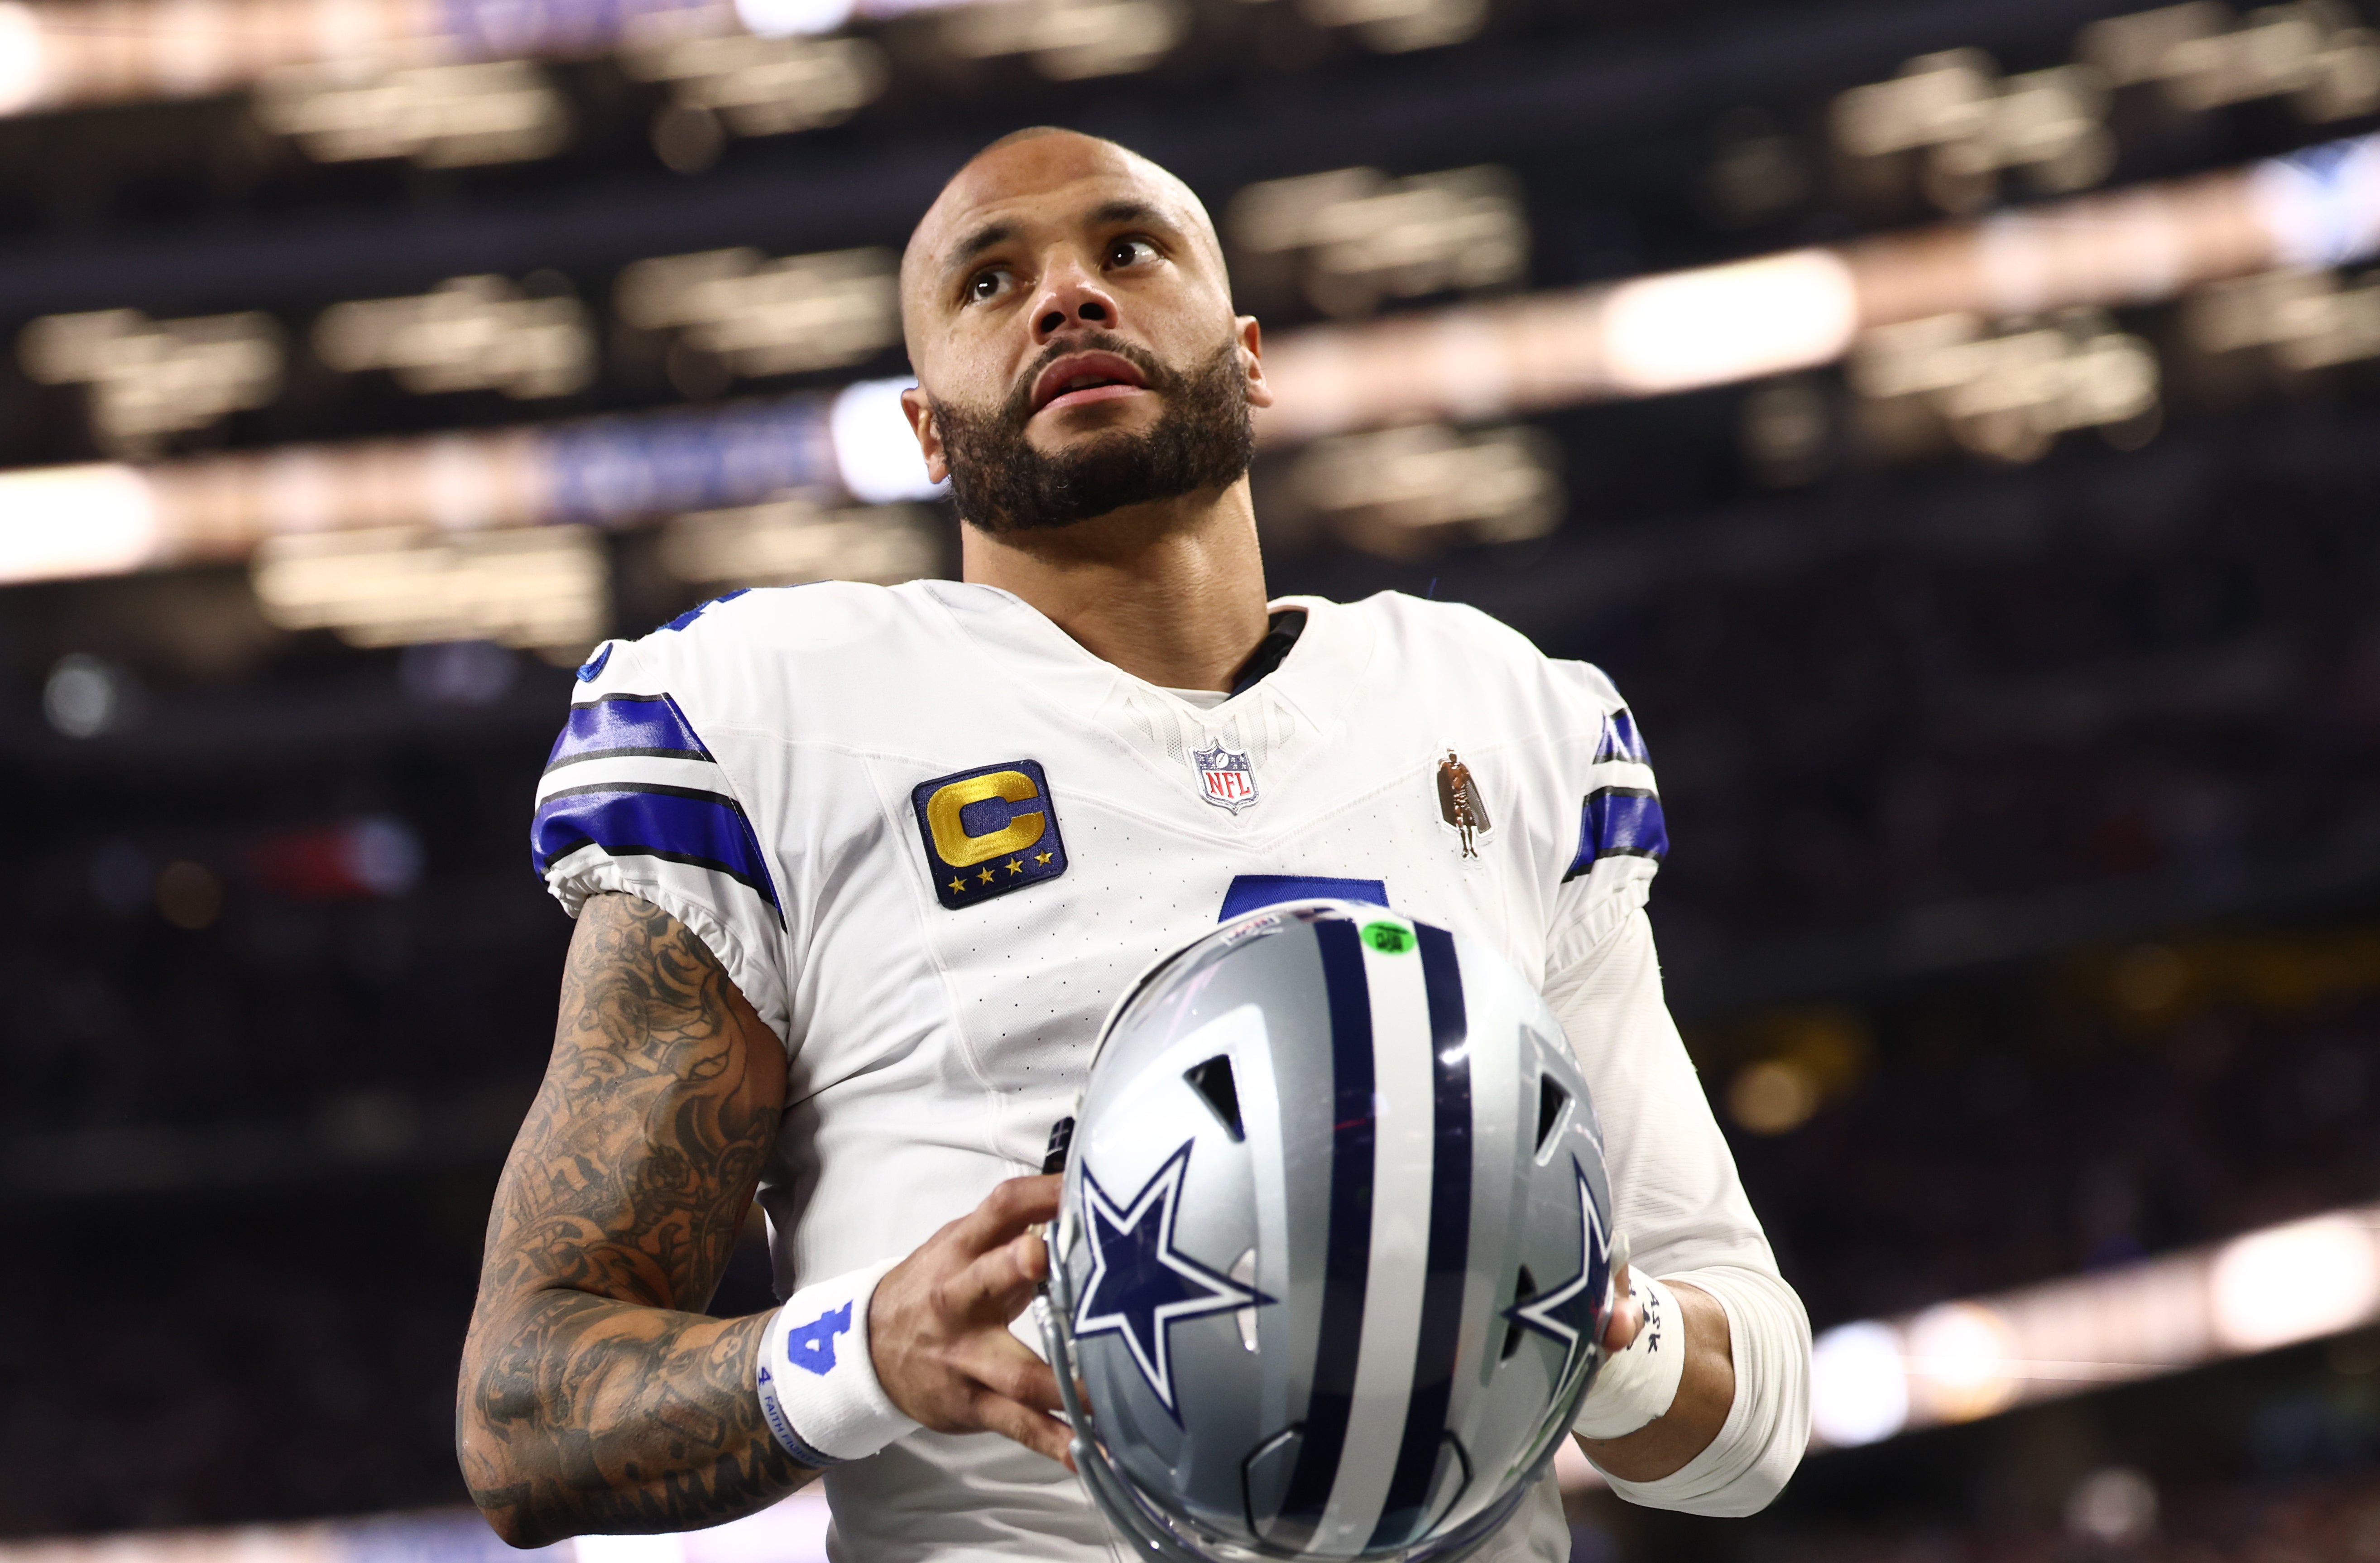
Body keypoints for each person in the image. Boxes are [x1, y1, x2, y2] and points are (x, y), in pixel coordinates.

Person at [456, 126, 1809, 1558]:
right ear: (927, 432)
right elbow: (525, 1416)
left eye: (1126, 250)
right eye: (989, 281)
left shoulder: (1505, 713)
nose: (1065, 297)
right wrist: (862, 1350)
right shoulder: (766, 714)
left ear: (1247, 352)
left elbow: (1748, 1428)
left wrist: (1582, 1316)